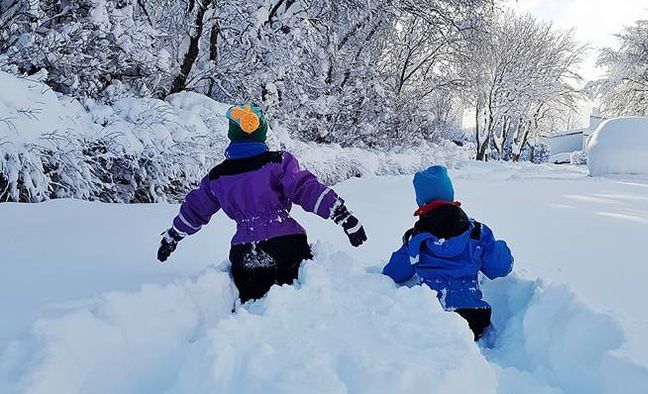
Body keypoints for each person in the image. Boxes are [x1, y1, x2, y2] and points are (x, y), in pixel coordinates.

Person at [157, 100, 367, 306]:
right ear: (262, 134)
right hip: (287, 243)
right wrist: (341, 214)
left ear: (232, 136)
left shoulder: (218, 176)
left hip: (244, 249)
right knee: (299, 298)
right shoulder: (278, 163)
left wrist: (173, 235)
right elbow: (306, 189)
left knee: (253, 304)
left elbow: (195, 208)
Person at [382, 165, 513, 340]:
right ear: (450, 194)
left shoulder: (415, 239)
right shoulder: (477, 233)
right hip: (475, 316)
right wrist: (497, 245)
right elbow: (501, 268)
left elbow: (393, 274)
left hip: (433, 315)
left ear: (421, 202)